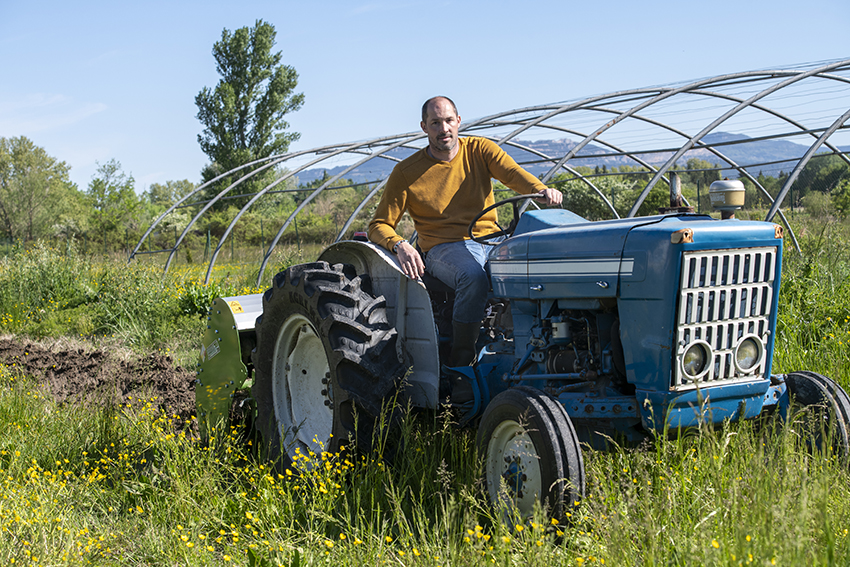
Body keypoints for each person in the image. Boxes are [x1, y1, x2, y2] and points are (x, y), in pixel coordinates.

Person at [368, 96, 562, 366]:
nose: (443, 128)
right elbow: (379, 225)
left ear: (458, 121)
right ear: (424, 127)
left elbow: (512, 173)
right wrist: (400, 244)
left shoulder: (480, 150)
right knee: (473, 276)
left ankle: (539, 347)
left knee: (541, 262)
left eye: (448, 120)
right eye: (435, 123)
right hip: (443, 248)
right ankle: (461, 360)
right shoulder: (406, 172)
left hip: (492, 240)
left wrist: (540, 189)